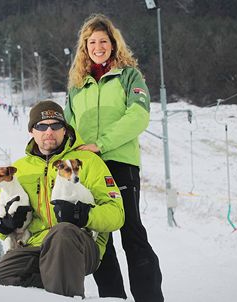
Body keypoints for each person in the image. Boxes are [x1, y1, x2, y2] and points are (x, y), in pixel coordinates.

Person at [64, 14, 164, 302]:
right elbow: (69, 127)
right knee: (99, 234)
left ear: (113, 44)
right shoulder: (77, 86)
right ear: (85, 47)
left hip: (120, 163)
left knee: (131, 232)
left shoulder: (129, 76)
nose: (98, 46)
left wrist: (101, 144)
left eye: (103, 41)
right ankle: (112, 297)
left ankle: (149, 298)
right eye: (92, 42)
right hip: (90, 169)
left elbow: (138, 116)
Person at [0, 100, 125, 298]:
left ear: (64, 129)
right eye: (42, 126)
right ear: (32, 131)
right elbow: (2, 212)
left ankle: (65, 295)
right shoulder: (19, 169)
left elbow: (116, 214)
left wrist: (83, 215)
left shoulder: (88, 162)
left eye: (56, 125)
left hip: (79, 243)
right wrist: (2, 224)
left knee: (62, 233)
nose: (49, 131)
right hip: (32, 246)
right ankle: (41, 287)